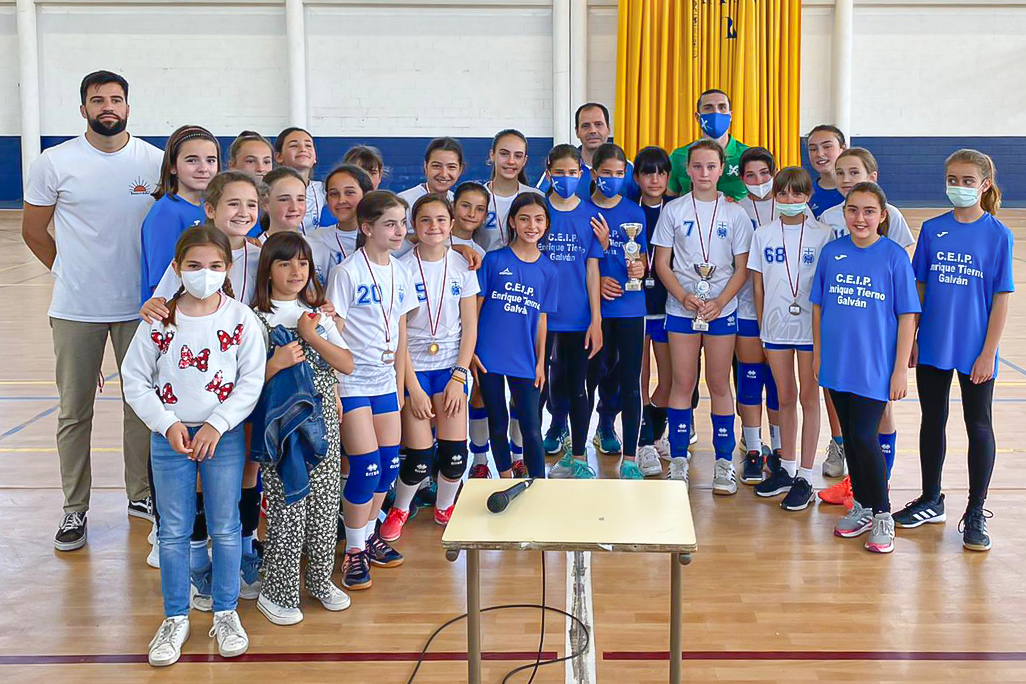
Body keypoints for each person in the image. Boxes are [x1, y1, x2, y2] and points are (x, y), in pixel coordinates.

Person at [22, 70, 163, 551]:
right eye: (97, 100)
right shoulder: (54, 162)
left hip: (140, 309)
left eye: (116, 99)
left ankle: (141, 496)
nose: (108, 106)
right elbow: (34, 232)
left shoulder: (155, 162)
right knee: (73, 412)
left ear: (128, 107)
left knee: (140, 408)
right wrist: (68, 274)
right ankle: (74, 510)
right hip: (76, 308)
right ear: (83, 109)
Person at [121, 226, 266, 666]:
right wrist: (166, 425)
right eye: (194, 266)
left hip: (219, 439)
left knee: (225, 527)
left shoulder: (241, 319)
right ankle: (175, 617)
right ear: (178, 268)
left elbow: (250, 381)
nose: (205, 274)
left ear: (228, 269)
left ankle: (225, 611)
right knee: (174, 530)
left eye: (215, 266)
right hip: (170, 439)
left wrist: (217, 425)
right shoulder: (160, 321)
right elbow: (135, 379)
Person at [141, 170, 265, 607]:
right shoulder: (188, 261)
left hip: (242, 386)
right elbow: (158, 310)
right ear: (210, 209)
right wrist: (151, 307)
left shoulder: (262, 251)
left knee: (244, 471)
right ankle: (191, 554)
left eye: (251, 205)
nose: (243, 213)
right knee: (188, 482)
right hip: (187, 393)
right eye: (233, 204)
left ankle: (242, 551)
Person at [894, 149, 1013, 552]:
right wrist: (912, 340)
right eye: (951, 179)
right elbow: (920, 289)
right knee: (933, 420)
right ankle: (932, 498)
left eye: (966, 181)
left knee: (978, 425)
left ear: (984, 186)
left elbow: (1001, 298)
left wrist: (988, 352)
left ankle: (976, 511)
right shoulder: (932, 229)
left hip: (976, 347)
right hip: (933, 344)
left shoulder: (998, 234)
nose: (957, 187)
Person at [251, 232, 354, 625]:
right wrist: (276, 363)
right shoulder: (253, 318)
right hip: (282, 431)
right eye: (285, 263)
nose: (296, 271)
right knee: (288, 508)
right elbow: (244, 382)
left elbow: (346, 364)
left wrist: (312, 335)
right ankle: (277, 591)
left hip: (324, 425)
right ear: (268, 269)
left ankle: (319, 580)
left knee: (325, 508)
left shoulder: (316, 317)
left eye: (303, 263)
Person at [811, 181, 919, 554]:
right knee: (851, 439)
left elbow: (907, 316)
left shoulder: (893, 256)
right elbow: (819, 307)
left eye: (869, 211)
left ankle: (883, 514)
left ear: (882, 216)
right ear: (845, 214)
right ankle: (863, 507)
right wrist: (819, 355)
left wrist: (900, 370)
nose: (860, 218)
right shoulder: (832, 253)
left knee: (863, 436)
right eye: (853, 210)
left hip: (875, 365)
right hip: (837, 363)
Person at [325, 190, 418, 590]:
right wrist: (331, 387)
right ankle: (354, 550)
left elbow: (399, 330)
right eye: (390, 224)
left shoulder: (401, 270)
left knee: (390, 467)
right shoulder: (347, 273)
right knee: (366, 466)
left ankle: (367, 537)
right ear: (367, 228)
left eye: (402, 223)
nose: (400, 231)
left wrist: (399, 386)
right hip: (351, 382)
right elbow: (335, 332)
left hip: (384, 383)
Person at [651, 139, 752, 491]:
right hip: (682, 309)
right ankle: (678, 458)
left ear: (722, 169)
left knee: (720, 382)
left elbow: (742, 268)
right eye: (697, 166)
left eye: (711, 166)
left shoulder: (735, 213)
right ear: (688, 170)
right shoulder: (673, 210)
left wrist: (720, 301)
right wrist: (684, 295)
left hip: (721, 308)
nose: (704, 173)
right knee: (682, 382)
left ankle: (724, 462)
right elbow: (661, 263)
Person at [380, 194, 479, 541]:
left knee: (454, 457)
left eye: (441, 220)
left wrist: (459, 375)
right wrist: (413, 387)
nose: (434, 227)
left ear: (451, 225)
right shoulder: (401, 267)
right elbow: (399, 335)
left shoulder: (463, 266)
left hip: (451, 368)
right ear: (413, 227)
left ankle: (444, 506)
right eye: (425, 220)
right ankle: (401, 509)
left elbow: (470, 327)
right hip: (414, 369)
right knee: (420, 456)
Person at [746, 167, 831, 510]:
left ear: (808, 196)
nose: (790, 200)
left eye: (797, 194)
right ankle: (787, 467)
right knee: (785, 397)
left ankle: (807, 476)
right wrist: (765, 329)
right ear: (775, 197)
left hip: (811, 329)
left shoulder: (823, 234)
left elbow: (824, 288)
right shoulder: (763, 234)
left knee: (810, 398)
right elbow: (757, 285)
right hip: (776, 328)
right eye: (783, 194)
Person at [474, 193, 559, 479]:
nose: (531, 225)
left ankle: (538, 483)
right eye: (524, 218)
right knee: (497, 423)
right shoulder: (494, 261)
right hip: (488, 357)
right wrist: (471, 351)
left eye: (538, 219)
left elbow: (542, 320)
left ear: (546, 224)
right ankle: (507, 478)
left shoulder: (549, 270)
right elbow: (476, 309)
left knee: (532, 427)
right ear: (512, 222)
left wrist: (540, 363)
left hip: (525, 359)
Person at [583, 143, 648, 479]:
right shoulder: (582, 211)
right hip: (593, 312)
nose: (611, 178)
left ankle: (631, 457)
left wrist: (638, 268)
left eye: (618, 173)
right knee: (589, 379)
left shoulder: (635, 213)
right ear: (593, 174)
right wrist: (600, 277)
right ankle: (578, 450)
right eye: (605, 173)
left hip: (630, 309)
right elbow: (579, 264)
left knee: (630, 382)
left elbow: (642, 259)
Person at [540, 144, 604, 481]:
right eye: (559, 172)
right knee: (538, 386)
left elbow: (592, 269)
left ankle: (578, 456)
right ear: (548, 172)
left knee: (580, 387)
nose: (565, 179)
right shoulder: (537, 210)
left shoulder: (590, 214)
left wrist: (596, 319)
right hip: (539, 316)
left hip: (578, 317)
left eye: (572, 172)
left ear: (581, 174)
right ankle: (529, 455)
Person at [140, 125, 218, 303]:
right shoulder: (166, 212)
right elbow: (161, 281)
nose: (203, 168)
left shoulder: (212, 207)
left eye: (211, 160)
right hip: (175, 314)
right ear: (173, 166)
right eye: (192, 160)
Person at [633, 146, 673, 477]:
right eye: (648, 172)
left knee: (673, 378)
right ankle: (643, 441)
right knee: (638, 377)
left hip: (668, 305)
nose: (655, 179)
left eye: (660, 172)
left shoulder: (677, 209)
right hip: (633, 306)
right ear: (637, 178)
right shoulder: (626, 211)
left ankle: (655, 428)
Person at [537, 103, 640, 201]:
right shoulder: (559, 166)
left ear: (608, 129)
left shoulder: (627, 168)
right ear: (577, 131)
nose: (592, 131)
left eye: (598, 124)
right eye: (585, 126)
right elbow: (538, 202)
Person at [667, 89, 750, 201]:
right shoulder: (679, 156)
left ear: (730, 115)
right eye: (708, 108)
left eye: (722, 107)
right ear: (697, 117)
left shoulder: (747, 156)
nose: (716, 112)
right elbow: (670, 198)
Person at [477, 129, 544, 253]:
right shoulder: (476, 197)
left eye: (518, 156)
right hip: (483, 269)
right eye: (504, 154)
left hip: (523, 270)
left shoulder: (537, 197)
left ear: (524, 160)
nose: (511, 161)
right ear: (492, 155)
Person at [396, 137, 465, 253]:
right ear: (425, 167)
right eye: (436, 166)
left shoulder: (458, 202)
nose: (444, 174)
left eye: (451, 167)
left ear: (460, 170)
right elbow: (391, 249)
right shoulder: (402, 202)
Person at [308, 164, 375, 273]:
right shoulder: (315, 239)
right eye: (334, 194)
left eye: (349, 193)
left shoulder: (380, 237)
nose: (341, 200)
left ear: (366, 195)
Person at [275, 127, 334, 232]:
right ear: (279, 156)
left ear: (315, 157)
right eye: (293, 145)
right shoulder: (270, 189)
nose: (303, 149)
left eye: (308, 145)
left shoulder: (324, 189)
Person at [805, 125, 847, 218]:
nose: (819, 154)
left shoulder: (858, 192)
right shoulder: (805, 195)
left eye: (827, 146)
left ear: (843, 149)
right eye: (813, 149)